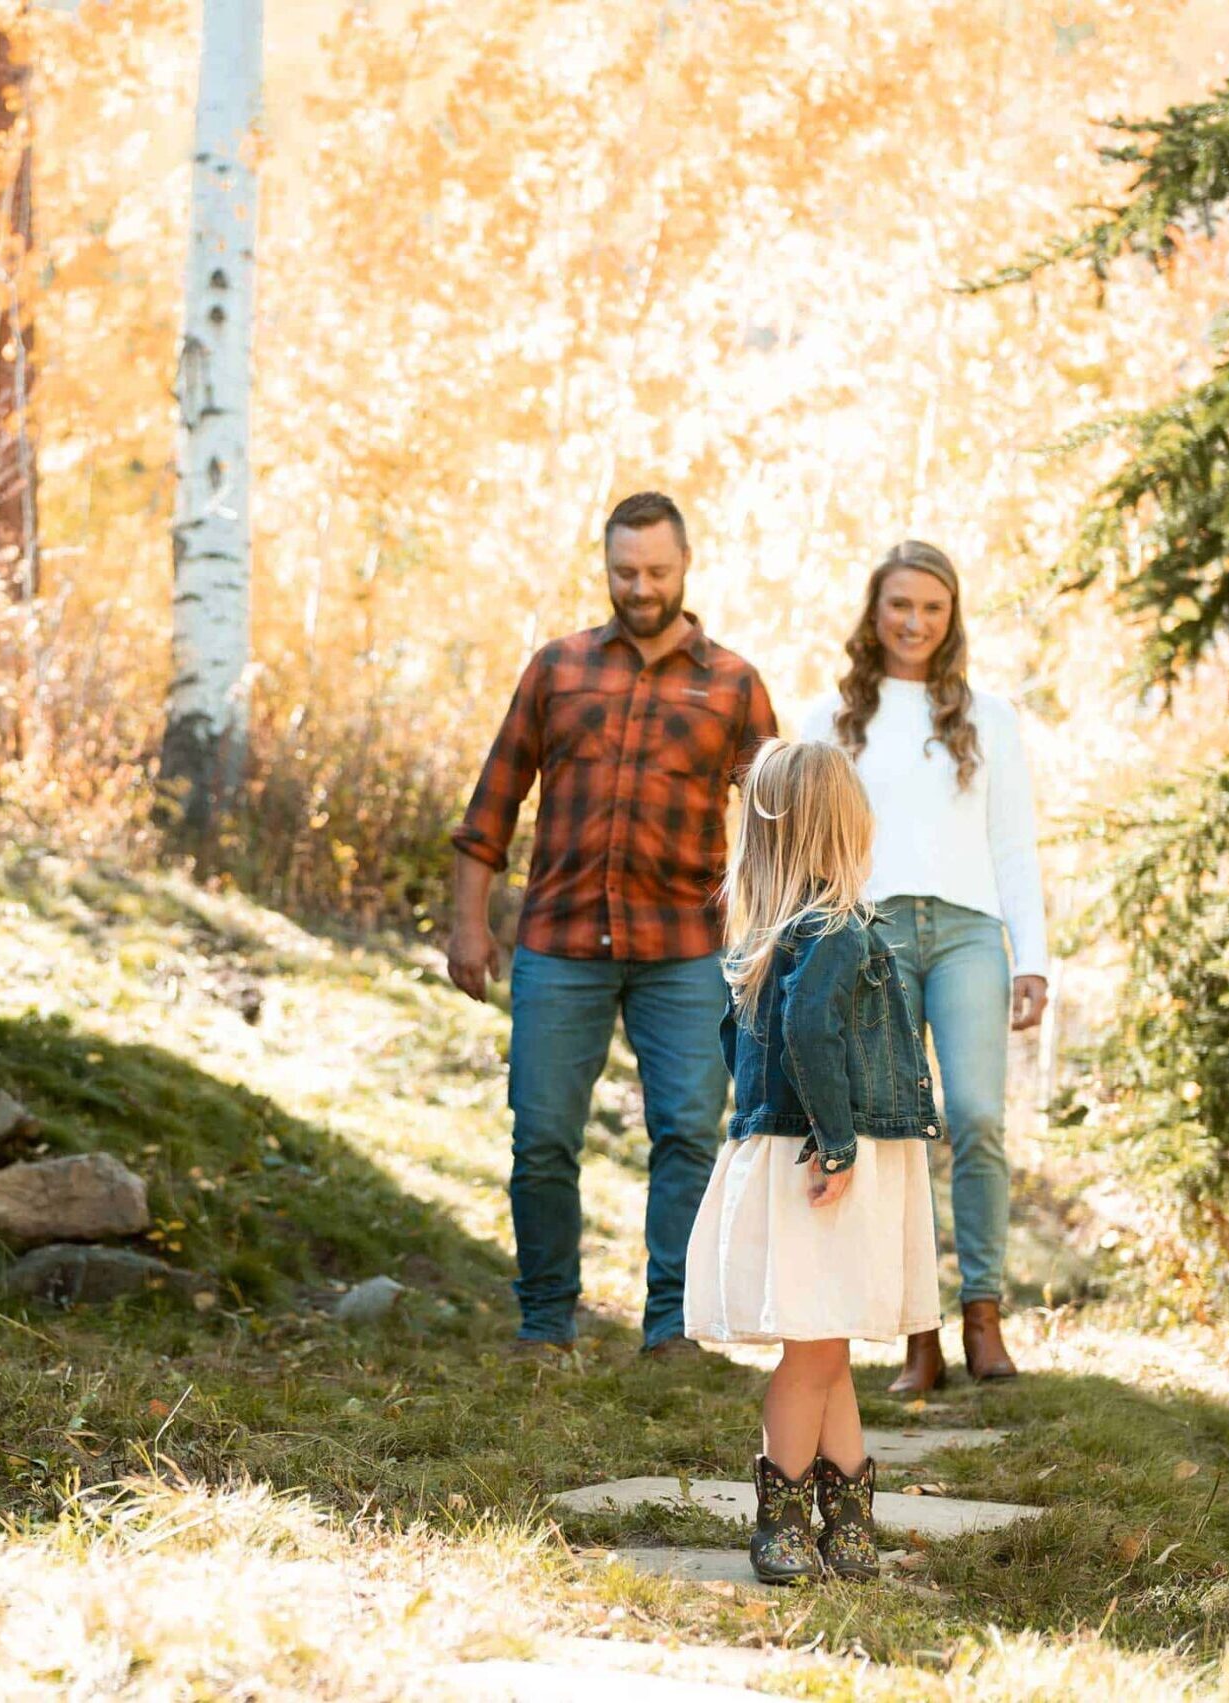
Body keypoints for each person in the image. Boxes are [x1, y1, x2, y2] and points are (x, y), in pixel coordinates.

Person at [448, 491, 777, 1359]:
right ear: (605, 566)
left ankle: (672, 1327)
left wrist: (776, 937)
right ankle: (545, 1322)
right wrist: (467, 925)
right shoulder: (555, 669)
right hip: (559, 944)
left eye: (656, 571)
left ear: (685, 566)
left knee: (685, 1135)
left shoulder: (734, 683)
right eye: (623, 571)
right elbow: (492, 801)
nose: (639, 587)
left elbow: (775, 821)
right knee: (543, 1136)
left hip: (683, 951)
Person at [683, 740, 942, 1584]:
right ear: (845, 827)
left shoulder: (774, 933)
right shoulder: (834, 928)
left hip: (794, 1149)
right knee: (811, 1353)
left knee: (825, 1348)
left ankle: (844, 1518)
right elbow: (807, 1035)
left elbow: (746, 1053)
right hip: (827, 1157)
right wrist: (832, 1140)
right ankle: (785, 1515)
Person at [801, 541, 1048, 1391]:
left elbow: (1013, 846)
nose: (913, 621)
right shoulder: (828, 719)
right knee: (897, 1133)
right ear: (874, 611)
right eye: (899, 604)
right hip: (868, 938)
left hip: (969, 932)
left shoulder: (990, 716)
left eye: (931, 608)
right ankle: (918, 1333)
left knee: (975, 1115)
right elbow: (804, 847)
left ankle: (984, 1316)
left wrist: (1033, 958)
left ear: (951, 618)